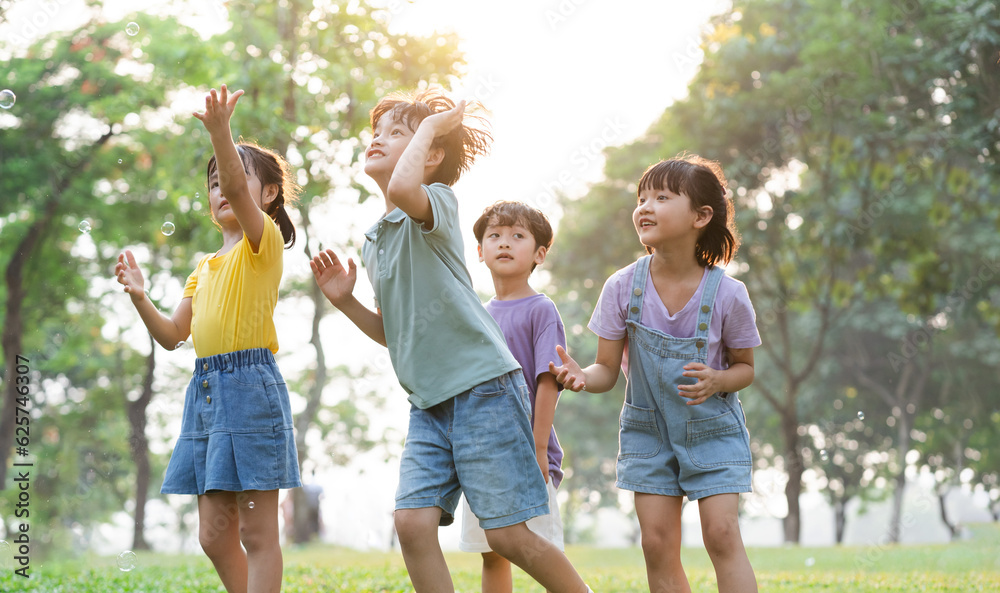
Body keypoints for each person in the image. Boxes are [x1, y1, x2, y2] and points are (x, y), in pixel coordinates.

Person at [310, 89, 594, 593]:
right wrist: (347, 303)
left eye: (398, 132)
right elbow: (395, 334)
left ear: (431, 151)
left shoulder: (435, 204)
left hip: (483, 388)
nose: (379, 138)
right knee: (412, 524)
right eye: (378, 132)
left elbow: (403, 187)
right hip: (428, 402)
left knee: (506, 535)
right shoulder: (374, 240)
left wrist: (431, 125)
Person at [114, 84, 301, 593]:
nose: (224, 189)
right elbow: (174, 335)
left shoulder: (262, 245)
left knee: (258, 533)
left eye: (235, 180)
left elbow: (241, 197)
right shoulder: (204, 267)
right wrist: (140, 297)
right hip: (207, 391)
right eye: (214, 182)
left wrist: (220, 131)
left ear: (267, 196)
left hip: (251, 390)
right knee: (214, 538)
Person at [550, 155, 761, 593]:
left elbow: (745, 369)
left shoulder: (729, 294)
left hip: (712, 431)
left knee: (721, 536)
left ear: (701, 216)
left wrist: (720, 380)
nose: (645, 206)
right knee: (656, 543)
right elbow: (607, 370)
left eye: (662, 197)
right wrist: (581, 377)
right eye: (641, 197)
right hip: (648, 431)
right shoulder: (622, 287)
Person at [463, 201, 568, 593]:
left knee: (538, 546)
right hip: (482, 453)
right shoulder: (475, 312)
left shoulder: (541, 309)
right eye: (495, 236)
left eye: (517, 236)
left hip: (526, 452)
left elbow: (548, 380)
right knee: (492, 550)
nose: (504, 243)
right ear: (480, 251)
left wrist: (538, 448)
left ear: (539, 253)